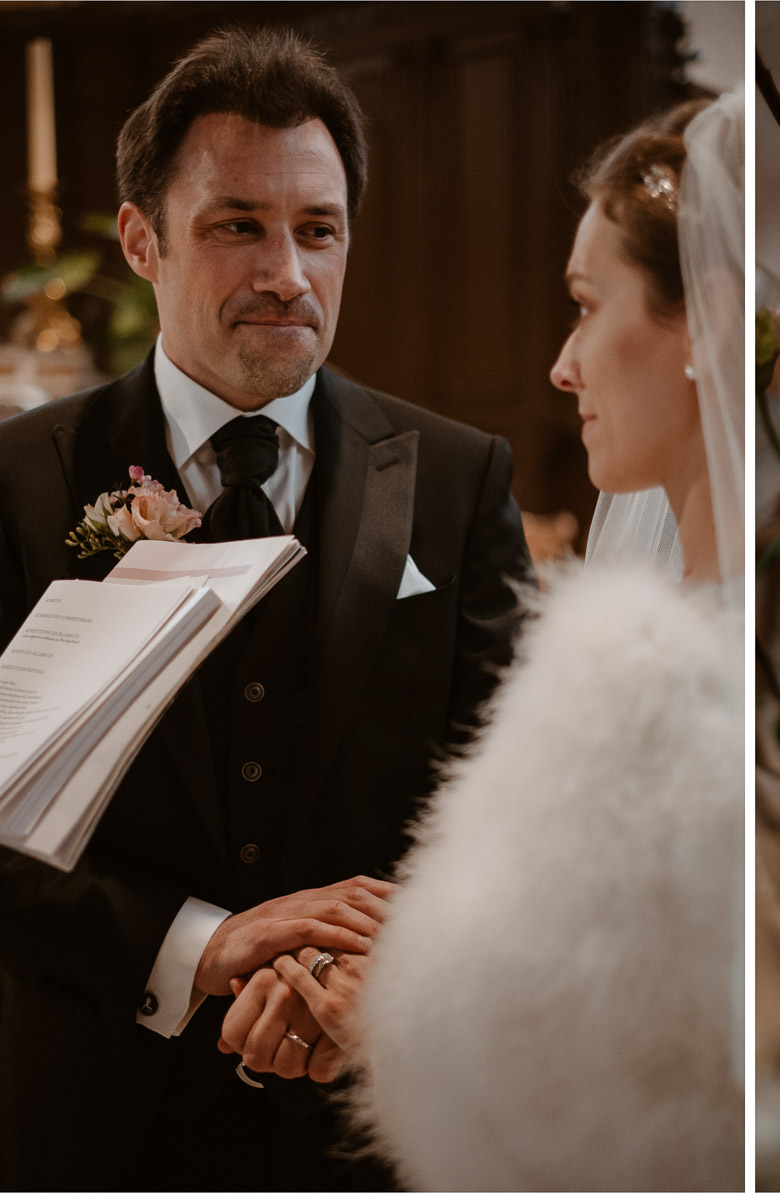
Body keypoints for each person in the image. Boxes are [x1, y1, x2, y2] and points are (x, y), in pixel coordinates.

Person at [0, 28, 533, 1190]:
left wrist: (374, 977)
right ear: (143, 239)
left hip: (369, 1117)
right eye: (237, 224)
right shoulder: (18, 478)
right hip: (85, 1118)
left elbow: (511, 798)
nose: (287, 272)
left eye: (319, 229)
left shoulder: (455, 476)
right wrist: (195, 945)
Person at [222, 91, 746, 1189]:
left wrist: (403, 1019)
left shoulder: (678, 673)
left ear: (707, 323)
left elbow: (696, 1064)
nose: (562, 367)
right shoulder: (646, 626)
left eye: (586, 304)